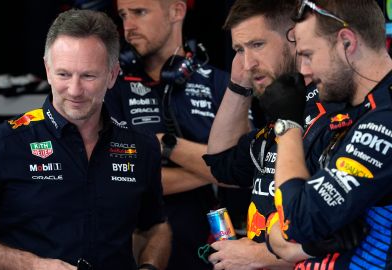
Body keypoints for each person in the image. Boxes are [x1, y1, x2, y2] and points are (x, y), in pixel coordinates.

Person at [0, 9, 172, 270]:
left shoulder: (140, 146)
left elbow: (155, 227)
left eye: (88, 76)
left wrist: (150, 266)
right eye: (64, 74)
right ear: (48, 69)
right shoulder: (1, 142)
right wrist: (31, 265)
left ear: (112, 75)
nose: (75, 90)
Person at [202, 0, 351, 269]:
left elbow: (343, 237)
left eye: (257, 45)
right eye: (239, 49)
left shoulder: (335, 113)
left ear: (295, 39)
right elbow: (223, 164)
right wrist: (239, 84)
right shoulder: (285, 110)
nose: (248, 63)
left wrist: (258, 257)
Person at [263, 0, 392, 268]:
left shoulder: (385, 118)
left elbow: (295, 220)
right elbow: (281, 215)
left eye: (308, 55)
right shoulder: (348, 111)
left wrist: (287, 125)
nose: (303, 70)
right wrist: (291, 238)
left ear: (346, 42)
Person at [104, 1, 229, 269]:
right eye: (124, 15)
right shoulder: (111, 85)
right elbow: (124, 176)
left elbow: (250, 170)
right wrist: (219, 170)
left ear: (176, 11)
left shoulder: (218, 83)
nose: (128, 27)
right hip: (137, 253)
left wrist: (165, 145)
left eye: (140, 12)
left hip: (209, 252)